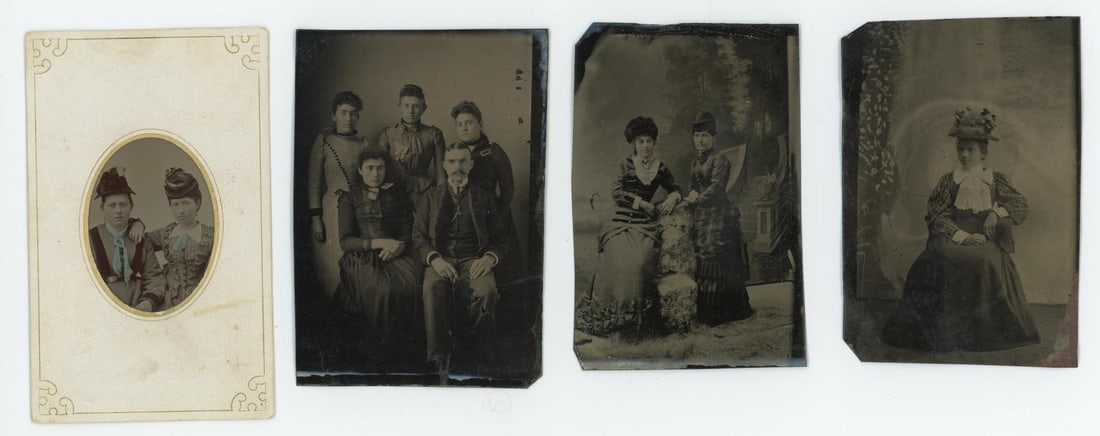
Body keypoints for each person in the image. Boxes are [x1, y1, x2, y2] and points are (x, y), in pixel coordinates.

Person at [882, 107, 1039, 351]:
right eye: (961, 150)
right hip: (952, 232)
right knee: (941, 257)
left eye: (971, 150)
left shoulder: (995, 179)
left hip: (986, 234)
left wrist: (995, 214)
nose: (965, 155)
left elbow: (1020, 205)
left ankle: (981, 332)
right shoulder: (949, 180)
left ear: (983, 153)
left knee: (985, 261)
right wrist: (962, 236)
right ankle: (945, 331)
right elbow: (936, 215)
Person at [413, 143, 510, 381]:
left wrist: (489, 257)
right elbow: (417, 236)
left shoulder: (484, 197)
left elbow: (501, 239)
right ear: (445, 166)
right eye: (453, 162)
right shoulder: (430, 197)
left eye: (463, 161)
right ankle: (438, 359)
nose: (458, 167)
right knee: (432, 287)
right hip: (441, 258)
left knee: (486, 290)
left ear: (471, 164)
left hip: (473, 259)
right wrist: (434, 260)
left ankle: (481, 356)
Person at [578, 116, 681, 337]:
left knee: (639, 263)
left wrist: (673, 196)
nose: (645, 146)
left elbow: (675, 187)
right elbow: (616, 192)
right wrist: (642, 203)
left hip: (645, 225)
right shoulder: (625, 165)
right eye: (641, 141)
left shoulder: (660, 168)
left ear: (654, 144)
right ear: (634, 144)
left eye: (649, 142)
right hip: (620, 220)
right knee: (618, 261)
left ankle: (636, 321)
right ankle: (615, 320)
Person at [333, 148, 422, 364]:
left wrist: (399, 246)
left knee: (411, 286)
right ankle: (380, 354)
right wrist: (379, 243)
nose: (375, 174)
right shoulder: (349, 198)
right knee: (383, 290)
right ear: (361, 171)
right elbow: (345, 241)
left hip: (397, 253)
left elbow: (408, 229)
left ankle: (405, 355)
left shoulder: (397, 195)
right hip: (363, 256)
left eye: (380, 168)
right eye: (370, 168)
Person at [682, 112, 753, 325]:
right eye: (696, 135)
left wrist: (696, 199)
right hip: (701, 215)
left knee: (714, 253)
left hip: (719, 214)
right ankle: (708, 311)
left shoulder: (719, 159)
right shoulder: (695, 162)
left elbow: (717, 189)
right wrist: (690, 196)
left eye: (704, 135)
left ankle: (725, 313)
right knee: (701, 255)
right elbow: (693, 185)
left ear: (713, 137)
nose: (700, 140)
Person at [449, 101, 523, 281]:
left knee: (501, 268)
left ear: (480, 125)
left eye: (469, 123)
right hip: (466, 217)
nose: (464, 128)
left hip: (492, 215)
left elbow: (508, 190)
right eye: (460, 124)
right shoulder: (455, 154)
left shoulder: (494, 152)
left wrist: (493, 212)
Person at [307, 91, 370, 298]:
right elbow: (314, 183)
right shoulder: (324, 142)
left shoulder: (364, 144)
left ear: (358, 117)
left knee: (357, 263)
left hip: (357, 208)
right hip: (331, 211)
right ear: (334, 116)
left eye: (353, 113)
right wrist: (316, 218)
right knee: (333, 265)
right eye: (343, 113)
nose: (348, 118)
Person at [88, 167, 167, 312]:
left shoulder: (140, 239)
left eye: (123, 205)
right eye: (112, 205)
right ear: (102, 208)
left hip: (138, 305)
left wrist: (148, 303)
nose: (118, 210)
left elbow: (154, 277)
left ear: (131, 207)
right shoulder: (91, 239)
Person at [142, 168, 215, 310]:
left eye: (186, 203)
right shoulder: (167, 233)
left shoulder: (210, 235)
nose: (181, 210)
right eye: (175, 204)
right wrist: (137, 224)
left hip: (200, 301)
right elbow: (140, 243)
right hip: (168, 301)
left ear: (197, 203)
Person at [377, 84, 447, 201]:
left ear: (424, 108)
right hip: (394, 192)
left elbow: (441, 175)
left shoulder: (433, 134)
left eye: (415, 106)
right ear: (399, 107)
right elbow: (379, 169)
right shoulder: (387, 134)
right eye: (406, 106)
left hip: (424, 190)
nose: (410, 111)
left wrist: (441, 198)